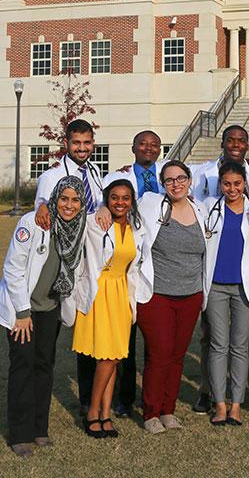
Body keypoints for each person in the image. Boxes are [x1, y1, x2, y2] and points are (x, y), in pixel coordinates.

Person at [0, 176, 86, 457]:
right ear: (54, 199)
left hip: (49, 309)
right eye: (64, 199)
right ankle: (20, 434)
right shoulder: (33, 223)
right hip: (22, 310)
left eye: (75, 200)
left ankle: (39, 429)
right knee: (23, 366)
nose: (69, 205)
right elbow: (13, 269)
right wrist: (22, 313)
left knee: (44, 366)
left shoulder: (77, 227)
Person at [191, 125, 249, 412]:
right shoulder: (207, 188)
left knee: (243, 343)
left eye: (242, 140)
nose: (236, 144)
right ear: (223, 143)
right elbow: (173, 174)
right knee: (214, 341)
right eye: (231, 140)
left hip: (244, 285)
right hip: (214, 283)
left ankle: (240, 399)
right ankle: (211, 393)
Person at [34, 118, 104, 416]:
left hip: (90, 259)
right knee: (53, 331)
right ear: (66, 143)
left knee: (87, 327)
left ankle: (89, 399)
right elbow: (42, 202)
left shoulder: (95, 171)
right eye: (76, 143)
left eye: (87, 143)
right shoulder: (52, 175)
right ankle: (37, 403)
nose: (82, 148)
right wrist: (40, 206)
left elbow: (101, 202)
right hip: (64, 261)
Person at [136, 160, 207, 434]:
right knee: (160, 353)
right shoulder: (151, 204)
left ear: (190, 180)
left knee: (177, 355)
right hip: (157, 295)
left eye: (181, 178)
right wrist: (106, 206)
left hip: (190, 295)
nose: (176, 184)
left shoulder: (201, 209)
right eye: (169, 180)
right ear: (162, 185)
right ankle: (151, 413)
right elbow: (121, 202)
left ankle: (168, 410)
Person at [72, 178, 145, 438]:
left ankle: (105, 413)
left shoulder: (137, 227)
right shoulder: (95, 222)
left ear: (132, 201)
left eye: (126, 198)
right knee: (107, 356)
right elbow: (72, 219)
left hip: (122, 293)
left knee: (114, 356)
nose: (120, 202)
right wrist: (97, 209)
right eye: (114, 197)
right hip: (99, 292)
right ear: (106, 199)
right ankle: (93, 412)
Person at [101, 130, 166, 418]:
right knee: (122, 342)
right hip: (124, 263)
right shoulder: (120, 177)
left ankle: (150, 395)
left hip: (158, 265)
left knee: (153, 341)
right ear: (133, 147)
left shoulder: (168, 176)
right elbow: (104, 201)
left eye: (154, 145)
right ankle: (123, 399)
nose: (148, 148)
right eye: (143, 143)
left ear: (160, 150)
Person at [205, 161, 249, 426]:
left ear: (245, 184)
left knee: (239, 347)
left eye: (237, 183)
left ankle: (236, 405)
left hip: (244, 287)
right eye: (227, 183)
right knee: (218, 345)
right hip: (215, 285)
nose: (232, 189)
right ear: (220, 184)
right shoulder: (209, 208)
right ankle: (219, 404)